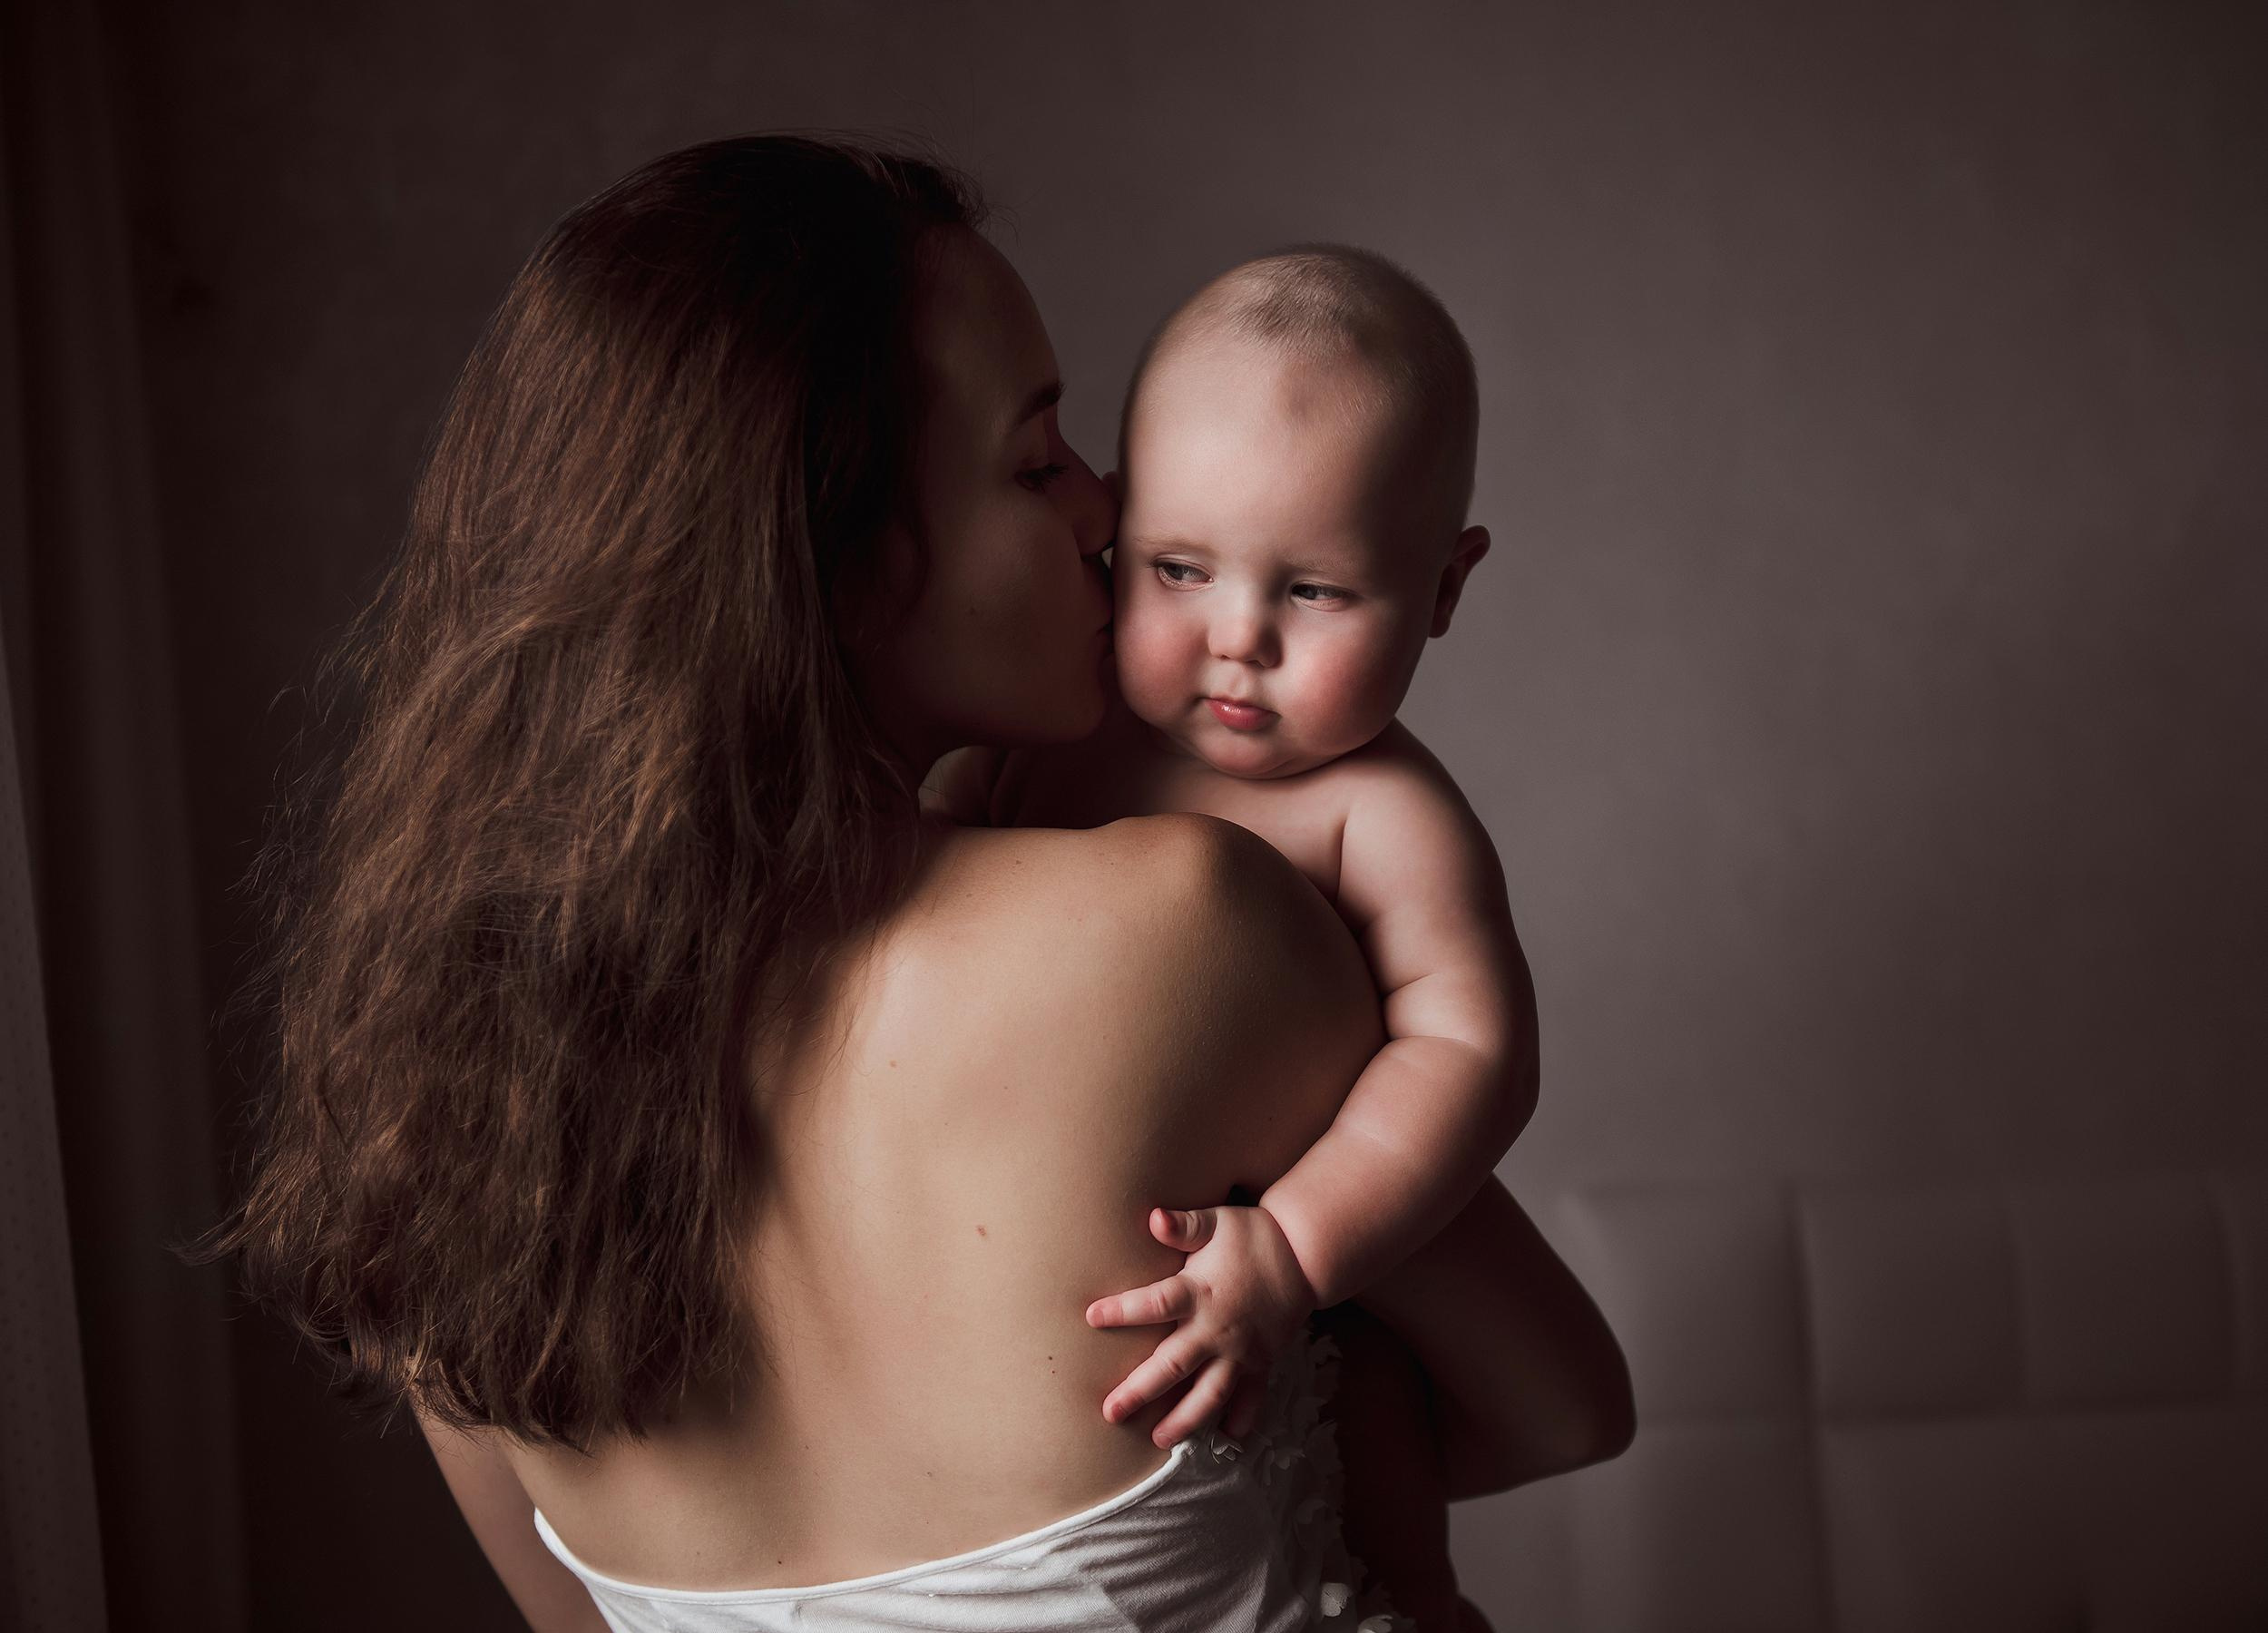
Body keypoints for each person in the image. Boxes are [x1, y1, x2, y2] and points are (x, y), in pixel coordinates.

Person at [195, 133, 1632, 1632]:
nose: (1106, 513)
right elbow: (1565, 1408)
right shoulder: (1186, 925)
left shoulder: (443, 1114)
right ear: (844, 557)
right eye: (1038, 459)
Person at [925, 241, 1536, 1613]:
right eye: (1182, 568)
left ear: (1444, 587)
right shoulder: (1047, 737)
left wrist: (1301, 1245)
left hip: (1316, 1284)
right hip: (1058, 1248)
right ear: (1119, 526)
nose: (1238, 635)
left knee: (1380, 1504)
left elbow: (1471, 1051)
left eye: (1314, 590)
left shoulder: (1383, 815)